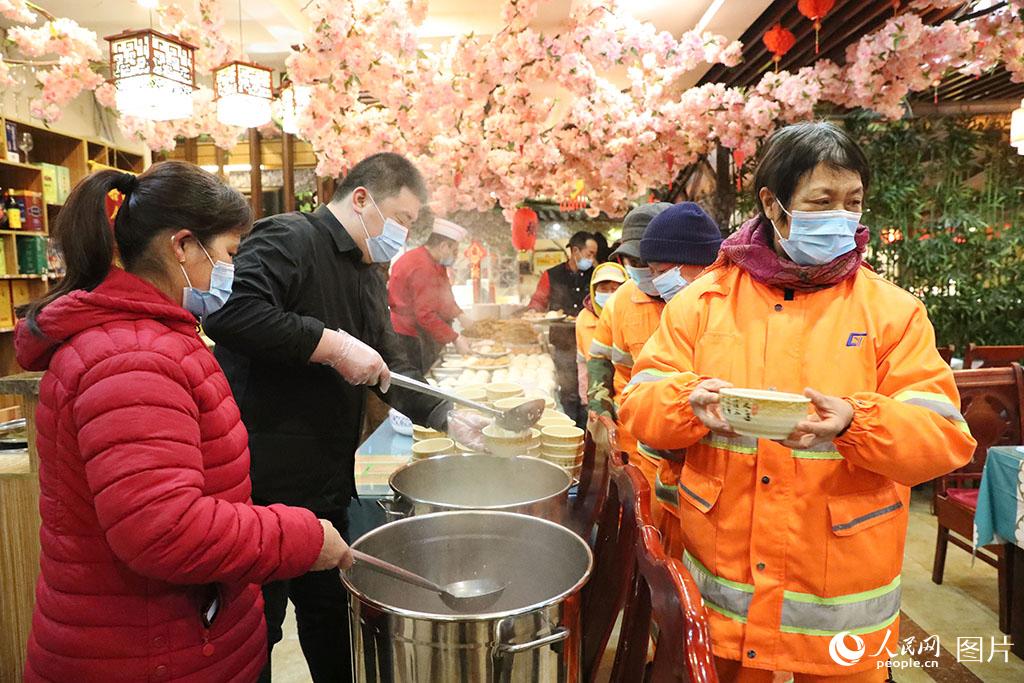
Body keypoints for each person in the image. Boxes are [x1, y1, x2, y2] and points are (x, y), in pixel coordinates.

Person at [619, 122, 976, 681]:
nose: (841, 216)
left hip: (839, 600)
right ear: (773, 203)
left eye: (852, 201)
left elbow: (944, 437)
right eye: (821, 201)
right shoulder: (703, 303)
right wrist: (688, 402)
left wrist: (858, 421)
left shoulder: (893, 313)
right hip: (727, 595)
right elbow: (639, 404)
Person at [14, 162, 353, 682]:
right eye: (230, 255)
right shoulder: (132, 357)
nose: (232, 274)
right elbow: (164, 529)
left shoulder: (156, 337)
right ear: (182, 246)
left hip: (174, 637)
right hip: (146, 652)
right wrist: (302, 538)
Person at [203, 153, 485, 682]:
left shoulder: (364, 270)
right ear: (362, 199)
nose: (402, 235)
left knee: (332, 616)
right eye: (400, 220)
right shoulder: (289, 237)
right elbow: (229, 312)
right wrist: (328, 345)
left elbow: (390, 364)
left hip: (329, 482)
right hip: (261, 483)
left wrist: (447, 415)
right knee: (256, 627)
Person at [589, 202, 722, 549]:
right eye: (636, 263)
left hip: (704, 471)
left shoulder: (711, 307)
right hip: (640, 449)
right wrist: (602, 414)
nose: (644, 272)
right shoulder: (621, 303)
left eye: (654, 265)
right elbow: (602, 360)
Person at [388, 217, 471, 372]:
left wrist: (460, 315)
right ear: (443, 246)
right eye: (455, 250)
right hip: (410, 337)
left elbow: (444, 296)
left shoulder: (434, 262)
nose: (456, 255)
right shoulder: (422, 266)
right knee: (418, 382)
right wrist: (455, 338)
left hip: (419, 333)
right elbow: (425, 315)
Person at [574, 261, 627, 410]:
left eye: (614, 289)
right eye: (603, 288)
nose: (609, 294)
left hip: (625, 397)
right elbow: (582, 361)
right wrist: (586, 398)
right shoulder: (583, 318)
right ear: (593, 290)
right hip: (596, 394)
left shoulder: (630, 316)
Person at [527, 230, 598, 315]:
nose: (592, 259)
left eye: (594, 256)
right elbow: (539, 299)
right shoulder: (551, 274)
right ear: (575, 251)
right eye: (589, 254)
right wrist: (533, 310)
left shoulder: (596, 275)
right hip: (559, 327)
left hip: (588, 326)